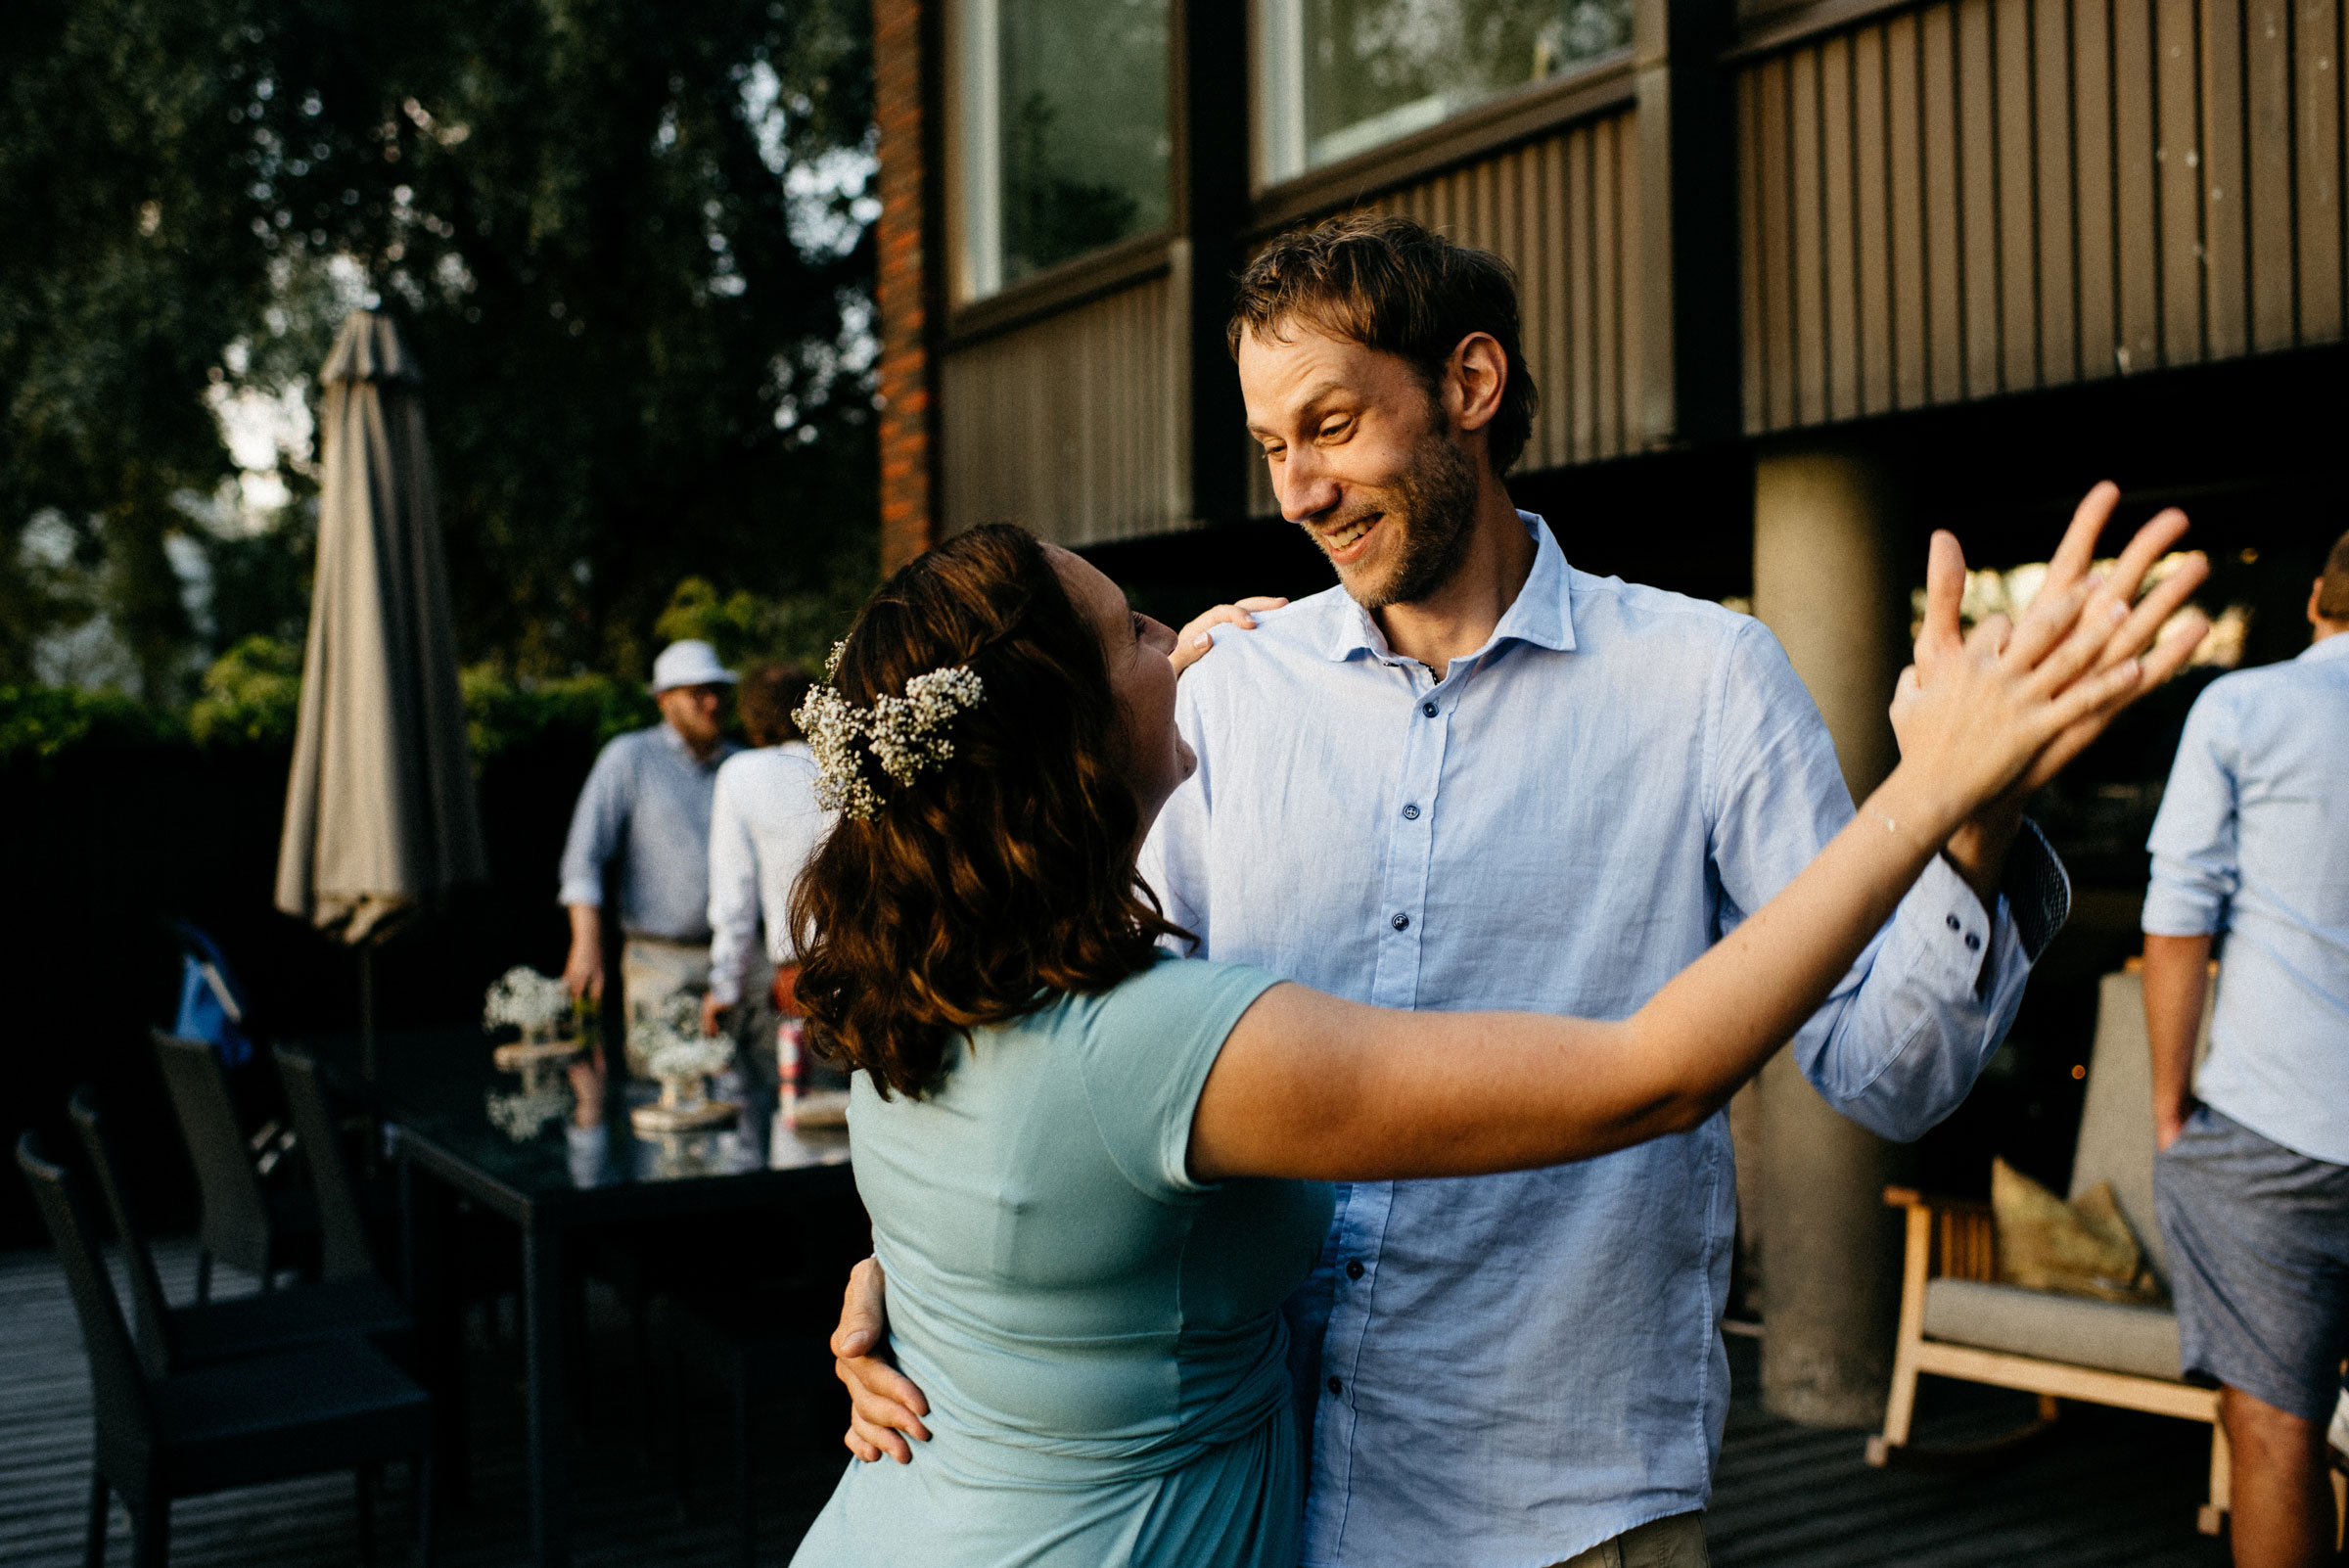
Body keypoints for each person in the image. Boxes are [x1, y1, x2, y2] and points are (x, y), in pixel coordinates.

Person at [833, 215, 2213, 1566]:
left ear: (1470, 387)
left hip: (1562, 1503)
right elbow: (1049, 1031)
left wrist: (1975, 809)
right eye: (1271, 449)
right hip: (1264, 1498)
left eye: (1328, 426)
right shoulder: (1226, 701)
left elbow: (1890, 1075)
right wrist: (935, 1279)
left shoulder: (1705, 682)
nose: (1297, 490)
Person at [2145, 528, 2349, 1568]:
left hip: (2272, 1132)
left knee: (2274, 1435)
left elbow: (2178, 921)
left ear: (2317, 598)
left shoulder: (2244, 708)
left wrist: (2171, 1107)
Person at [557, 638, 742, 1038]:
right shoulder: (629, 758)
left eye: (718, 691)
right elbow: (583, 858)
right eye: (698, 694)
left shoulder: (739, 764)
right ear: (664, 701)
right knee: (662, 1090)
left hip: (739, 960)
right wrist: (586, 944)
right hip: (658, 962)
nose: (713, 703)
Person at [702, 663, 824, 1044]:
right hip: (879, 970)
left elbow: (734, 897)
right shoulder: (850, 763)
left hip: (801, 980)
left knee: (799, 1097)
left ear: (751, 717)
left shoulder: (740, 775)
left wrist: (724, 988)